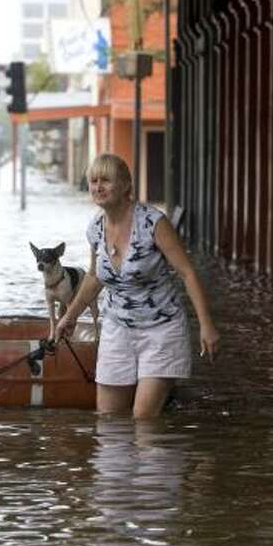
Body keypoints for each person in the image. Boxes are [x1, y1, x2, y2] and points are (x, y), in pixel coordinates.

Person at [53, 153, 221, 419]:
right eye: (93, 181)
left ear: (125, 186)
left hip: (161, 330)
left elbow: (187, 272)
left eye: (106, 180)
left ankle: (157, 460)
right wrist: (70, 316)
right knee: (108, 419)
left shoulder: (153, 222)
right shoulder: (95, 228)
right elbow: (95, 277)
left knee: (143, 419)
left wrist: (206, 325)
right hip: (117, 329)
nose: (98, 187)